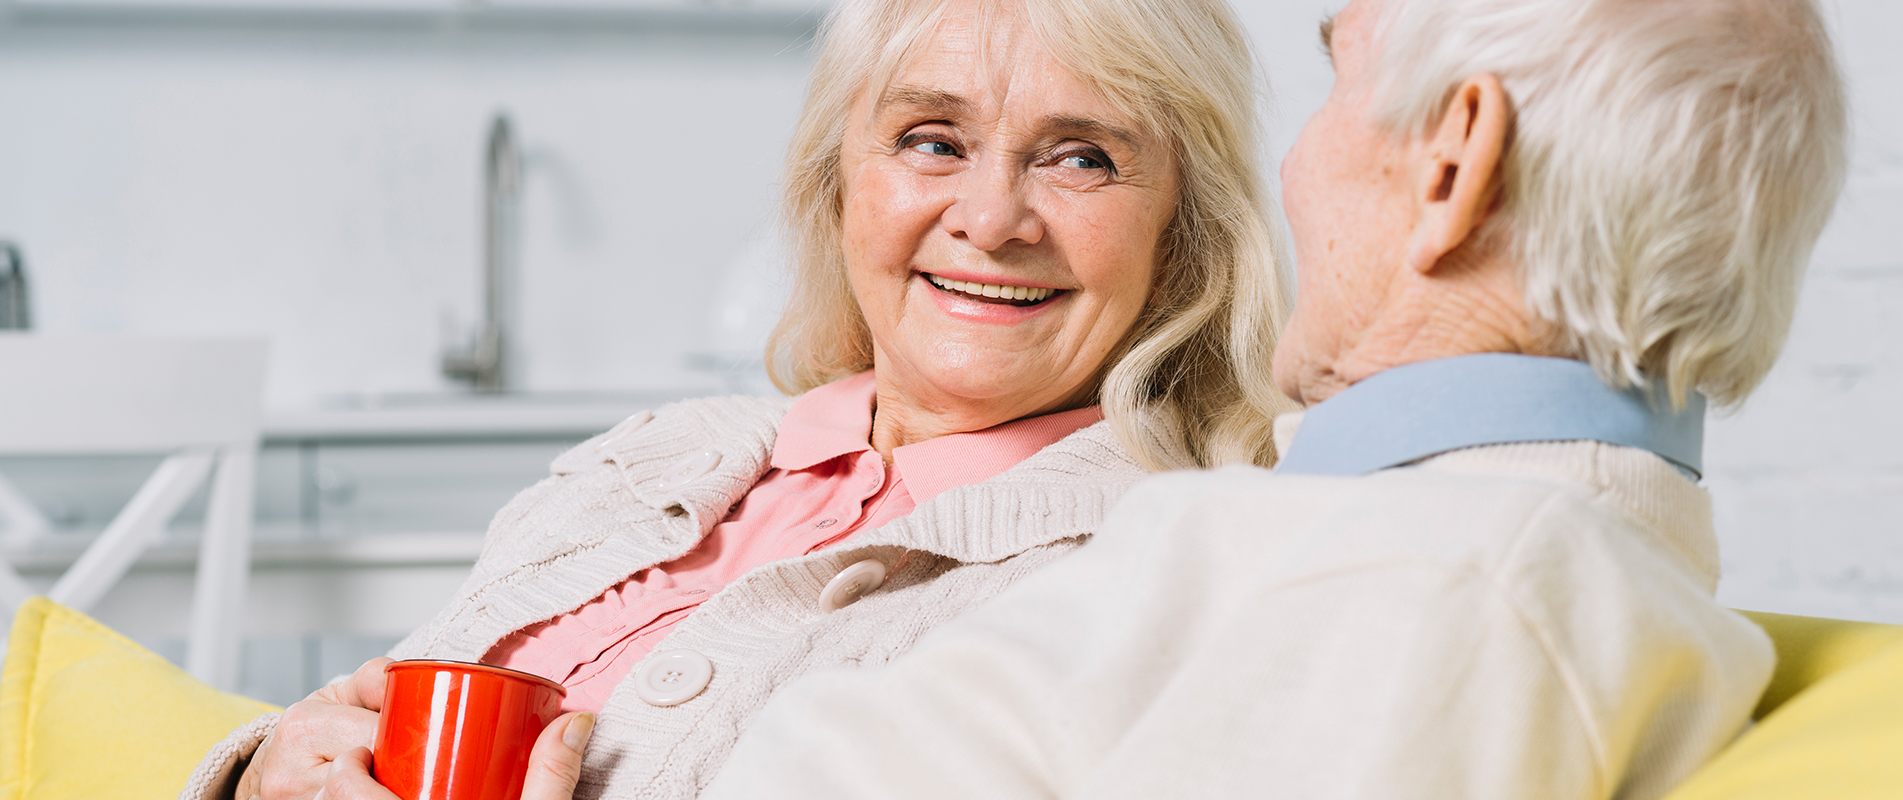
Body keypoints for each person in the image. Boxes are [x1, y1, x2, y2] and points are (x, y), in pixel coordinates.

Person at [691, 0, 1851, 798]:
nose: (1290, 165)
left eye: (1335, 83)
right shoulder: (1420, 529)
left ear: (1453, 167)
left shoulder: (1458, 583)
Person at [181, 0, 1292, 798]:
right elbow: (364, 723)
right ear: (837, 183)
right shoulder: (650, 455)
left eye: (1082, 158)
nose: (992, 217)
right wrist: (269, 766)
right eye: (931, 140)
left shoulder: (1163, 563)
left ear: (1182, 235)